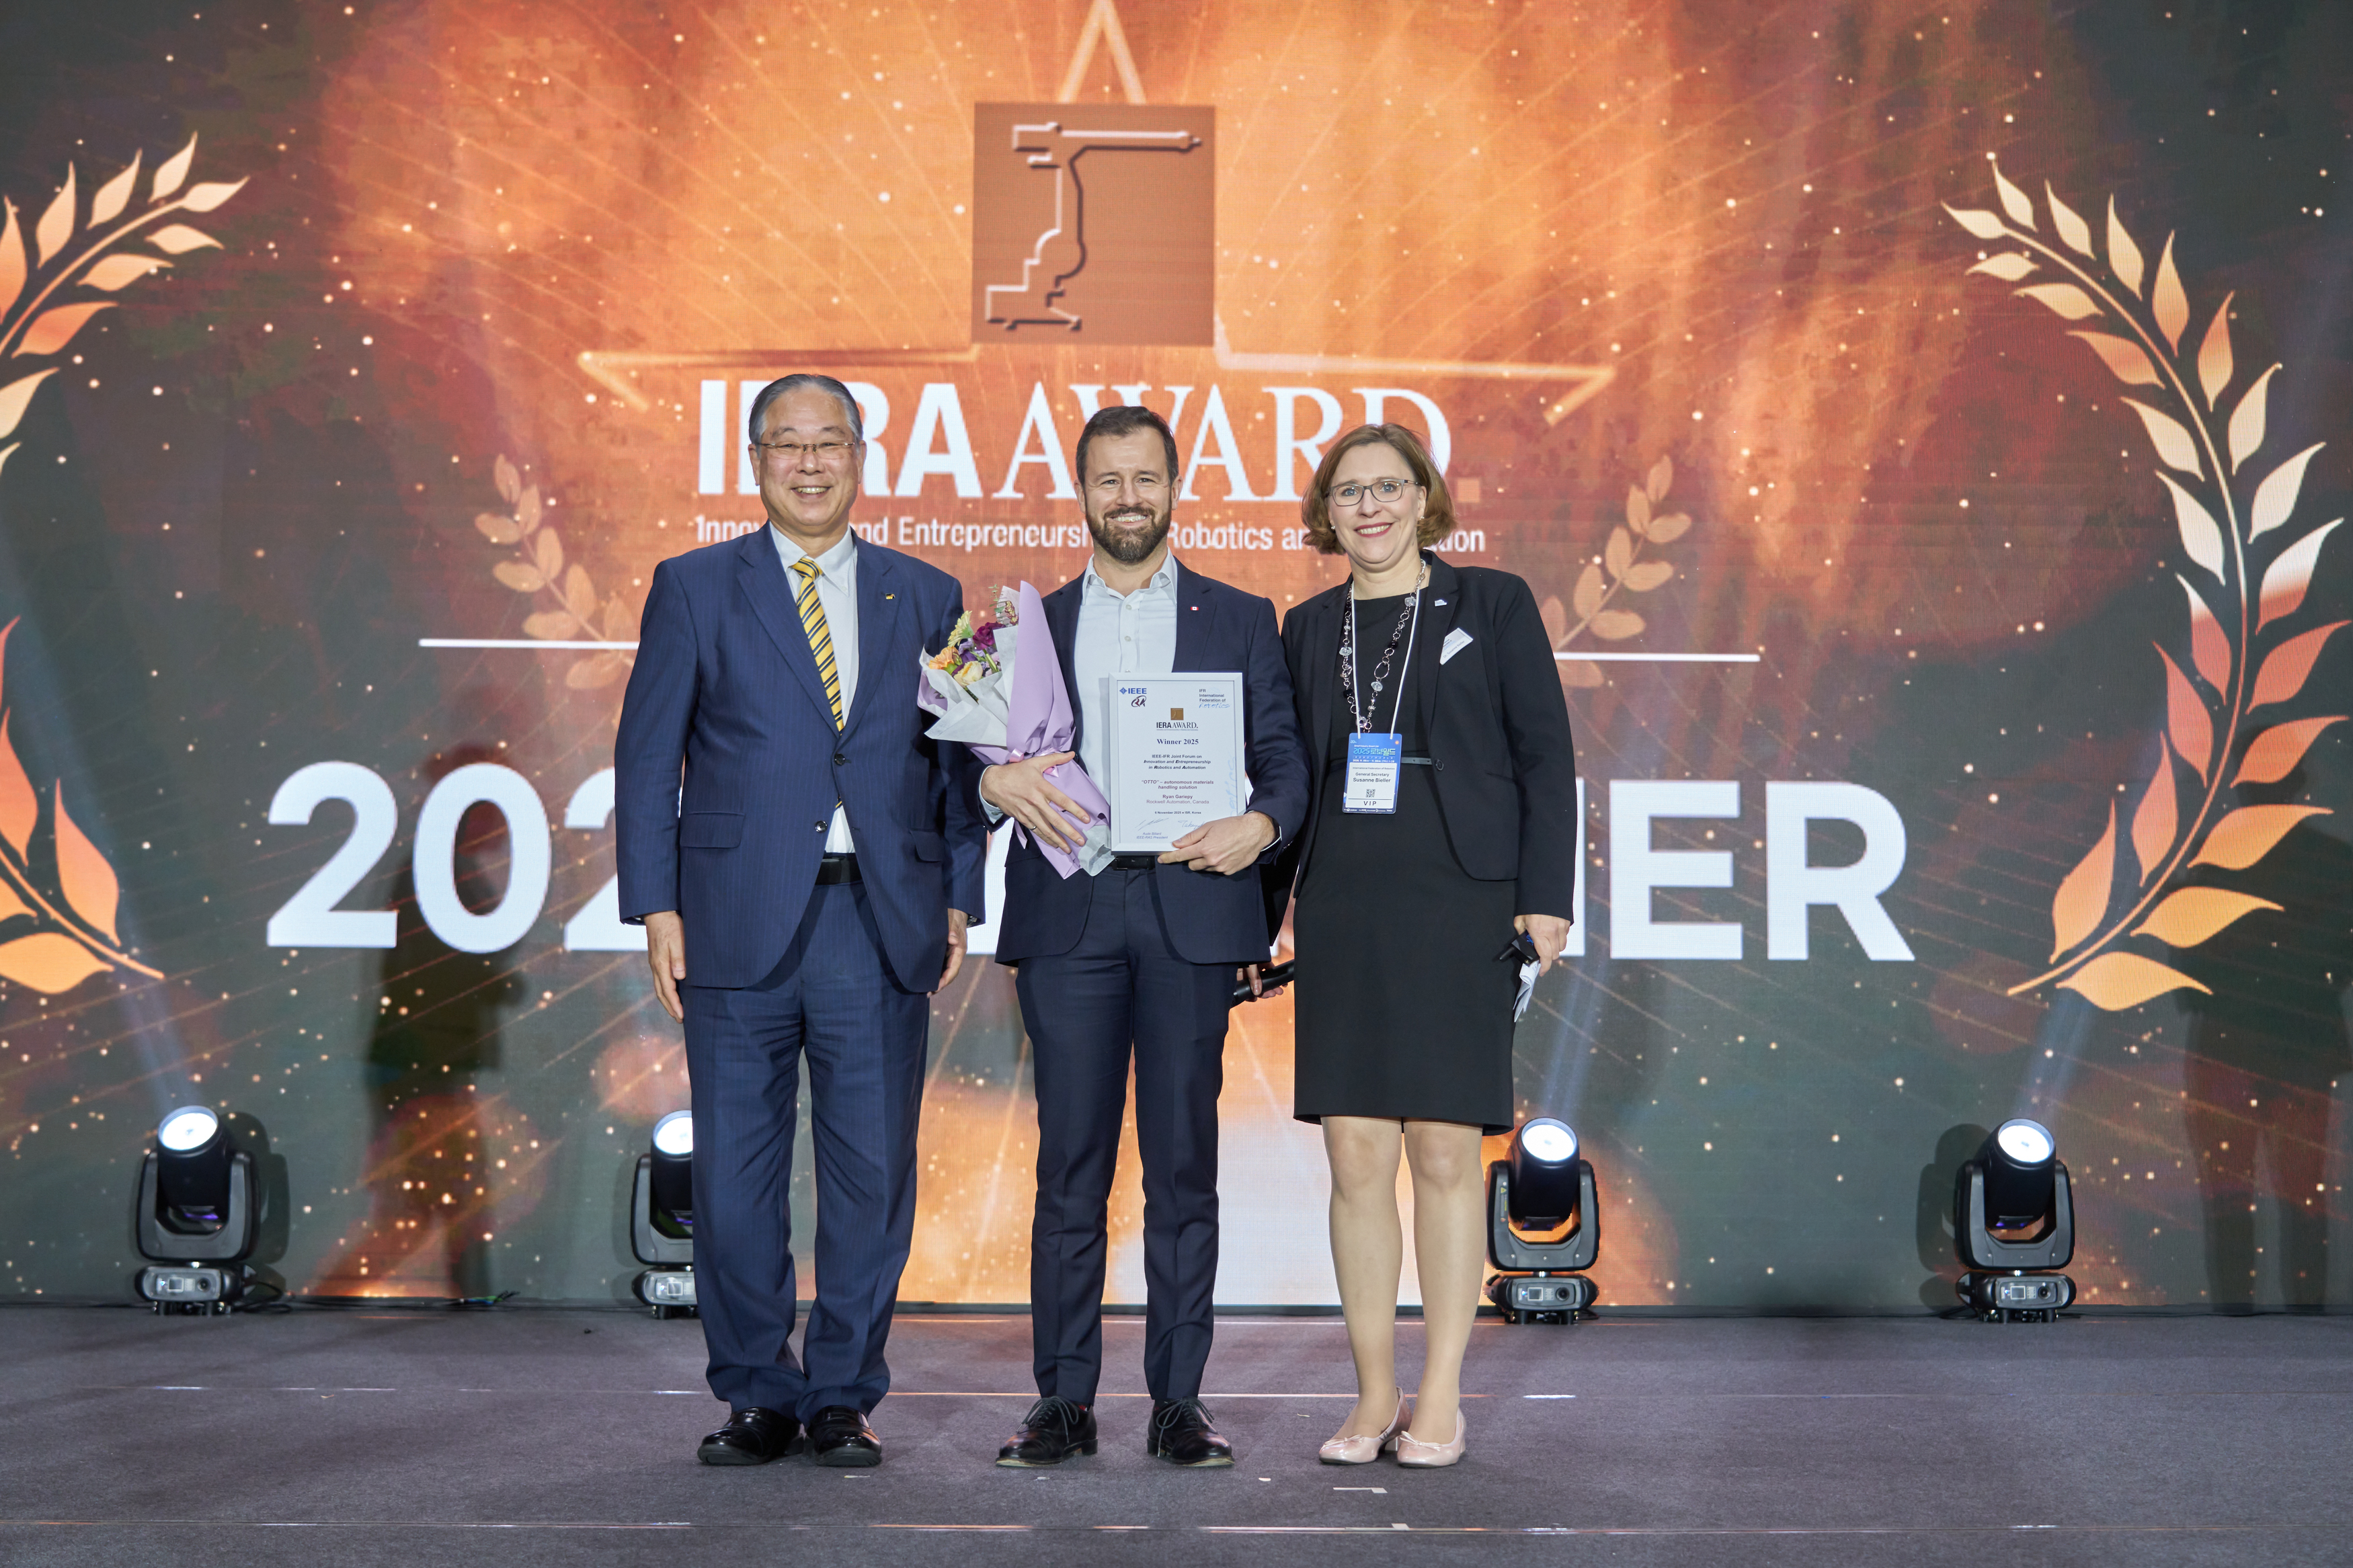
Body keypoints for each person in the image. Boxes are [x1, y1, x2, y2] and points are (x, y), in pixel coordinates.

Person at [614, 373, 986, 1469]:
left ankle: (842, 1394)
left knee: (872, 1174)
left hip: (878, 919)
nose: (810, 463)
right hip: (732, 920)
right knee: (733, 1175)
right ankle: (756, 1392)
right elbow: (647, 761)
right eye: (788, 446)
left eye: (830, 444)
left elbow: (961, 761)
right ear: (756, 461)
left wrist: (960, 889)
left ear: (863, 459)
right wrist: (657, 903)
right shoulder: (692, 586)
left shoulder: (927, 591)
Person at [978, 405, 1310, 1470]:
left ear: (1177, 488)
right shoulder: (1024, 627)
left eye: (1147, 479)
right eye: (1109, 480)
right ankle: (1063, 1403)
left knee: (1183, 1165)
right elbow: (967, 769)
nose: (1129, 497)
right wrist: (995, 779)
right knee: (1069, 1166)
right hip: (1070, 913)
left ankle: (1179, 1401)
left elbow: (1285, 764)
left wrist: (1260, 825)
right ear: (1079, 492)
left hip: (1191, 909)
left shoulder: (1242, 615)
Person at [1272, 423, 1577, 1469]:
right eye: (1349, 491)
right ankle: (1371, 1395)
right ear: (1328, 510)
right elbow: (1289, 782)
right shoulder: (1307, 627)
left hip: (1462, 903)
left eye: (1387, 486)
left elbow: (1548, 758)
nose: (1370, 506)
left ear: (1422, 495)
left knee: (1447, 1150)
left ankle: (1440, 1394)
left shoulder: (1492, 604)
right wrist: (1257, 912)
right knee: (1356, 1151)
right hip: (1346, 908)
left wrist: (1547, 900)